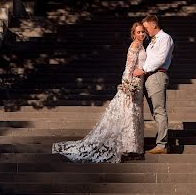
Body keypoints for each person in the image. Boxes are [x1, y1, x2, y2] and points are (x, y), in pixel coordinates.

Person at [52, 22, 146, 162]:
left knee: (135, 113)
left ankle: (133, 147)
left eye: (143, 31)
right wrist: (127, 84)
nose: (141, 34)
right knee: (130, 113)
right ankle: (129, 147)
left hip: (139, 82)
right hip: (133, 82)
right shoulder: (134, 45)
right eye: (138, 32)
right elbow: (129, 67)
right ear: (133, 34)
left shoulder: (142, 45)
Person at [133, 14, 174, 154]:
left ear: (154, 25)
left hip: (157, 75)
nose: (145, 31)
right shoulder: (152, 41)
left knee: (159, 110)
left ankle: (162, 145)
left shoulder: (165, 38)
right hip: (149, 77)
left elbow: (161, 59)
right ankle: (162, 142)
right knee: (155, 112)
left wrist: (143, 70)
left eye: (146, 28)